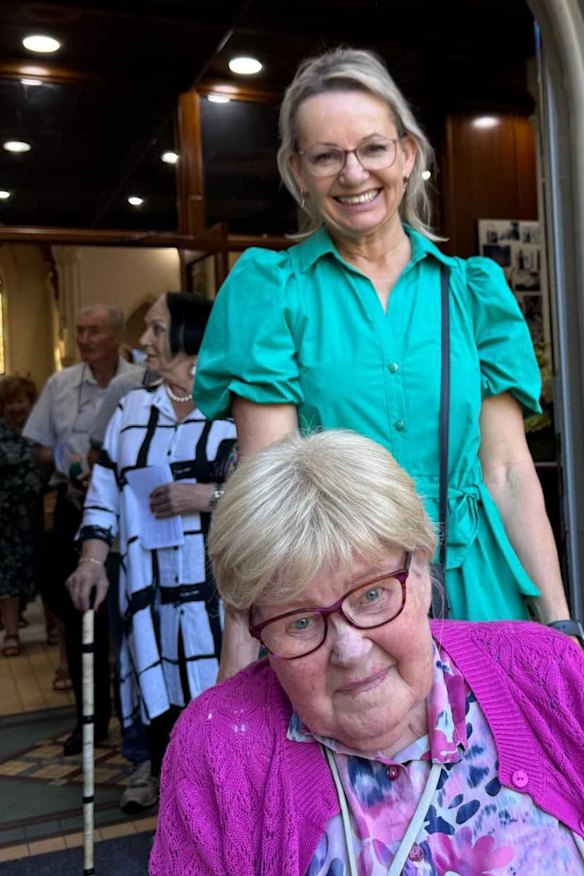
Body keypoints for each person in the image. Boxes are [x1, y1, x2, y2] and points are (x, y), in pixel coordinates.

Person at [194, 46, 573, 677]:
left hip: (474, 586)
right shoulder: (273, 293)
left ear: (408, 154)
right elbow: (270, 485)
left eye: (372, 147)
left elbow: (506, 470)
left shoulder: (472, 290)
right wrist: (241, 656)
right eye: (326, 155)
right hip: (342, 597)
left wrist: (560, 625)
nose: (353, 173)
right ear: (297, 168)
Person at [150, 429, 584, 876]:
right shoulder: (218, 743)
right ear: (256, 627)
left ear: (420, 566)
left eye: (372, 595)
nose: (350, 650)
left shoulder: (545, 670)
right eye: (300, 622)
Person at [66, 292, 236, 808]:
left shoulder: (236, 404)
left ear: (191, 335)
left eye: (157, 329)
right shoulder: (133, 409)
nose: (144, 340)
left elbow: (274, 488)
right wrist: (91, 560)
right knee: (160, 698)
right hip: (150, 588)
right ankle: (175, 810)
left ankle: (230, 809)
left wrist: (209, 496)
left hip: (220, 593)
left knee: (224, 702)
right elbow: (103, 495)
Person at [23, 305, 143, 754]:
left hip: (129, 514)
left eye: (95, 331)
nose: (85, 338)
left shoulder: (138, 381)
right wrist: (66, 465)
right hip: (77, 511)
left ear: (116, 337)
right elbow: (37, 447)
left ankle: (136, 722)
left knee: (127, 617)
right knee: (80, 618)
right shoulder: (60, 385)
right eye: (81, 330)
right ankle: (89, 720)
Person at [0, 377, 42, 657]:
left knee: (44, 571)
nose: (16, 407)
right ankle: (12, 632)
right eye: (10, 402)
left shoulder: (39, 431)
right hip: (6, 520)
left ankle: (52, 628)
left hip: (39, 515)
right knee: (8, 576)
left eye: (21, 401)